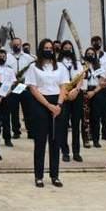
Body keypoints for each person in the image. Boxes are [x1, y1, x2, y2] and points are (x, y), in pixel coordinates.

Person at [25, 39, 69, 188]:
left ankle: (55, 175)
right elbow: (33, 88)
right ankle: (39, 176)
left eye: (51, 48)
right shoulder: (33, 67)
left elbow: (64, 86)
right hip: (41, 103)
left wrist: (59, 104)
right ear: (41, 49)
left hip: (57, 103)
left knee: (55, 141)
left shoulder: (61, 67)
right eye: (46, 48)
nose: (49, 50)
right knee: (40, 141)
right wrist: (48, 105)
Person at [58, 40, 85, 162]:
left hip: (76, 95)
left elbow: (81, 77)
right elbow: (56, 79)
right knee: (63, 124)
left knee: (76, 124)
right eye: (65, 48)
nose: (68, 50)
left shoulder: (77, 63)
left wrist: (77, 90)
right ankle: (65, 151)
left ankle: (76, 152)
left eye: (70, 48)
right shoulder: (57, 64)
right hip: (63, 94)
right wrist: (65, 92)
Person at [5, 37, 35, 140]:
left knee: (28, 110)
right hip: (13, 87)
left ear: (21, 45)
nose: (16, 46)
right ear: (11, 45)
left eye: (18, 44)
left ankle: (30, 131)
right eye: (14, 44)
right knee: (14, 110)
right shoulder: (7, 57)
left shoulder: (28, 58)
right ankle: (16, 131)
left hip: (24, 87)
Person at [83, 47, 106, 148]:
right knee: (85, 118)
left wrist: (94, 92)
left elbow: (102, 82)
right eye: (88, 53)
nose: (90, 55)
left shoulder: (98, 67)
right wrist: (86, 92)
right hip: (85, 91)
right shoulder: (82, 66)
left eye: (92, 54)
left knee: (96, 117)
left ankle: (96, 140)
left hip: (96, 91)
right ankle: (86, 140)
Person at [91, 35, 106, 141]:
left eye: (98, 41)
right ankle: (93, 133)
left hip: (105, 86)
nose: (96, 43)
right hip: (94, 86)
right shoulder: (90, 55)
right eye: (94, 42)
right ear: (91, 43)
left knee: (105, 112)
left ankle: (105, 133)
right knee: (94, 112)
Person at [0, 49, 14, 150]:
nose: (2, 58)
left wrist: (4, 94)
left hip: (7, 95)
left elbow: (12, 83)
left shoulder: (9, 69)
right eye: (0, 56)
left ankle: (7, 139)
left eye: (3, 56)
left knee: (6, 118)